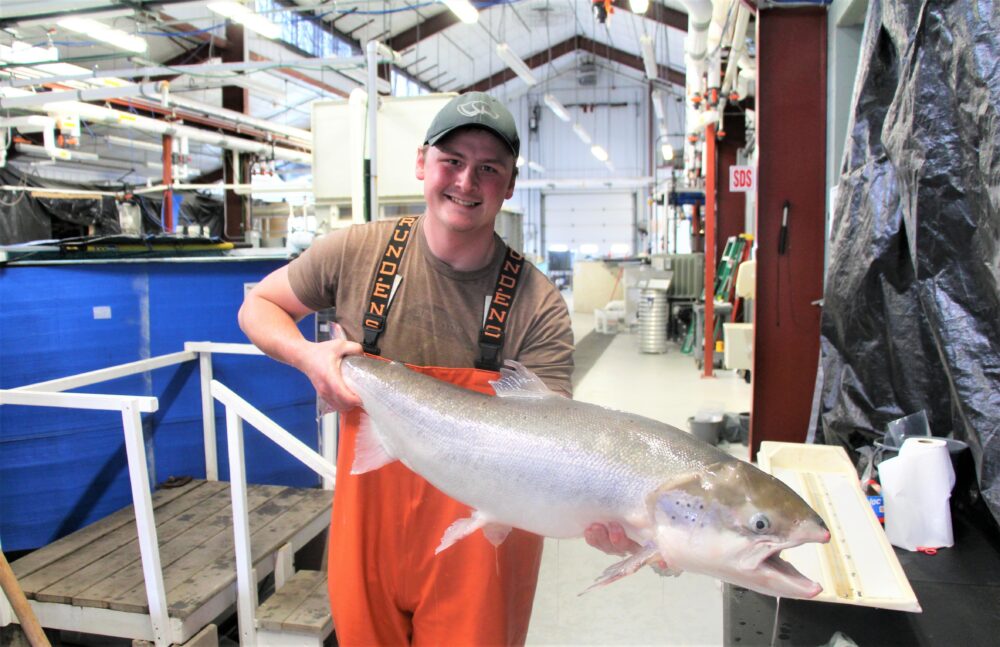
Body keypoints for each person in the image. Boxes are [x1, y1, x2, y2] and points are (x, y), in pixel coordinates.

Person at [239, 92, 577, 646]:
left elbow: (554, 442)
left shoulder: (537, 304)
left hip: (479, 538)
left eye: (489, 168)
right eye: (453, 161)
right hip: (370, 528)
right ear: (422, 163)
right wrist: (308, 355)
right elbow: (259, 306)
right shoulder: (354, 253)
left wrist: (605, 515)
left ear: (510, 185)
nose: (467, 182)